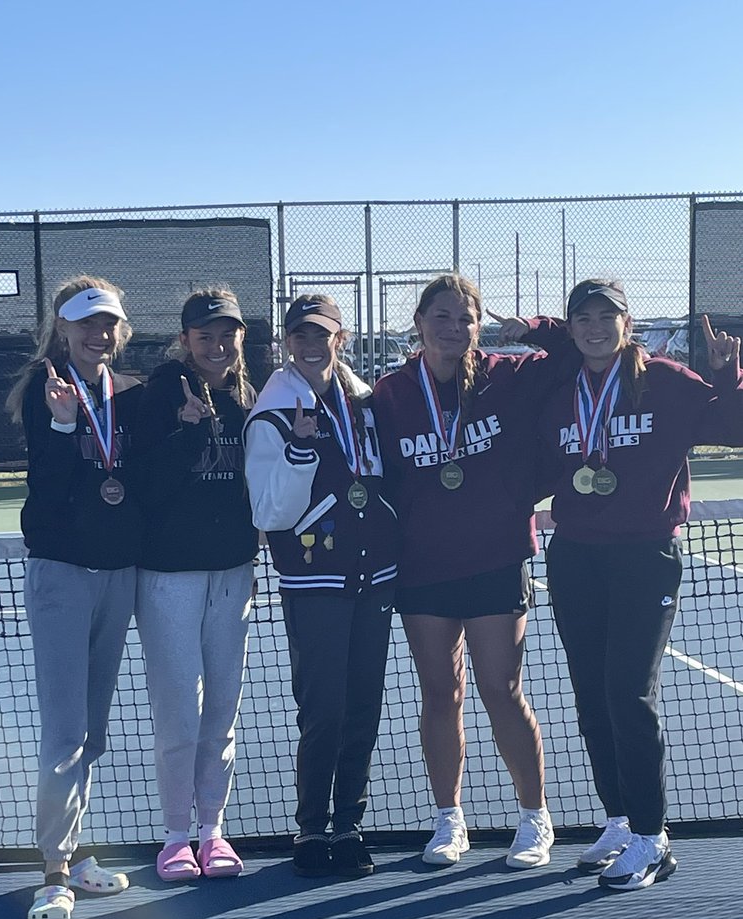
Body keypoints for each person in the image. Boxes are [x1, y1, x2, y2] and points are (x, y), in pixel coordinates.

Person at [535, 279, 743, 890]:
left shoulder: (669, 380)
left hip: (644, 557)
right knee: (592, 698)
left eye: (608, 315)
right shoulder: (557, 387)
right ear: (571, 327)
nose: (595, 327)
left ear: (627, 323)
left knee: (629, 692)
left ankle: (654, 838)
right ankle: (621, 820)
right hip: (574, 556)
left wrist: (730, 376)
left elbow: (734, 429)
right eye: (583, 317)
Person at [371, 273, 572, 870]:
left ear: (479, 326)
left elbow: (571, 356)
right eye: (442, 316)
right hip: (424, 569)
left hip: (496, 560)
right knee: (440, 694)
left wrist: (533, 327)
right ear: (419, 322)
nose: (454, 328)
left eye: (466, 318)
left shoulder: (508, 376)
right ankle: (448, 819)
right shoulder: (391, 393)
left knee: (502, 691)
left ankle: (535, 816)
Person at [244, 295, 398, 878]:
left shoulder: (363, 403)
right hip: (315, 580)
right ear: (287, 342)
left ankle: (349, 824)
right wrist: (301, 449)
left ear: (343, 338)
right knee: (323, 709)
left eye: (323, 334)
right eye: (300, 334)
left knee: (364, 706)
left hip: (375, 578)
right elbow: (270, 511)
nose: (312, 344)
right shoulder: (273, 414)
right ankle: (311, 829)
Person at [6, 276, 144, 919]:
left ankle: (77, 852)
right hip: (62, 573)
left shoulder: (125, 392)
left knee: (92, 729)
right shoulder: (47, 390)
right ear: (62, 329)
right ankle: (54, 873)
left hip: (117, 576)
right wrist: (64, 427)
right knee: (65, 731)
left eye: (108, 321)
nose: (99, 332)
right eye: (86, 322)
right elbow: (48, 489)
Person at [135, 288, 257, 882]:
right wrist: (184, 433)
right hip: (168, 579)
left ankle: (213, 829)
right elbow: (142, 487)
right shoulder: (160, 395)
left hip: (233, 575)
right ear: (185, 340)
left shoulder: (248, 397)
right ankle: (175, 836)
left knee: (223, 712)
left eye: (227, 333)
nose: (218, 344)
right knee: (180, 711)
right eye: (205, 335)